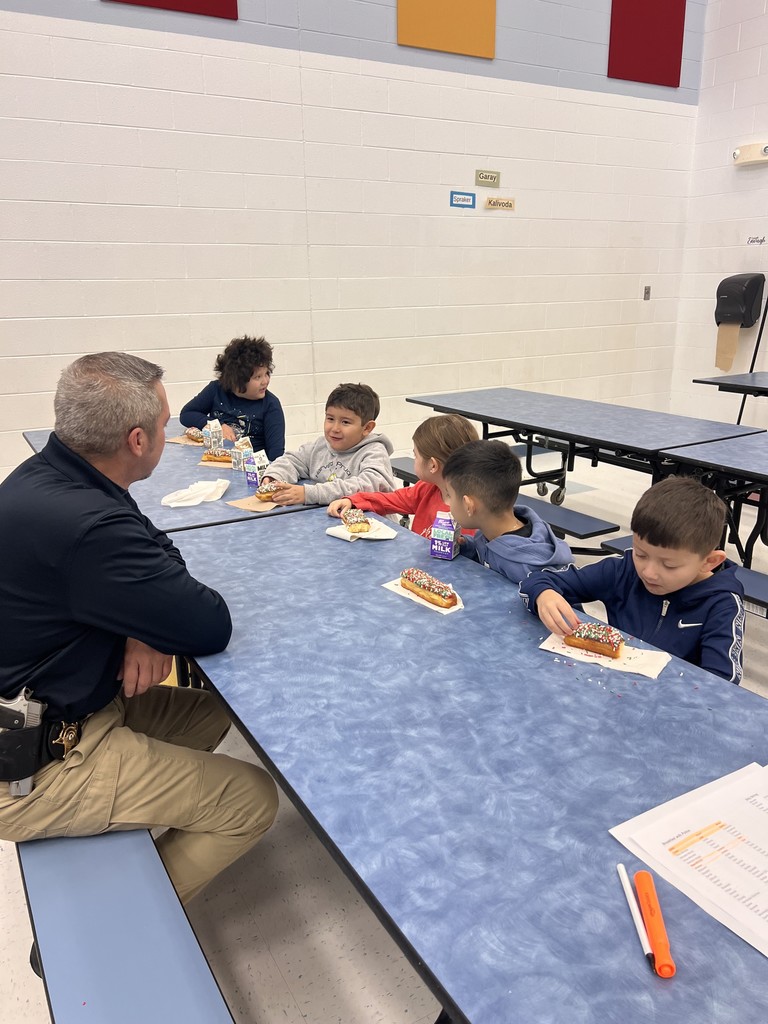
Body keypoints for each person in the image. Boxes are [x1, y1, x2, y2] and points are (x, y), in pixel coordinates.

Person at [0, 352, 278, 910]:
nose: (169, 431)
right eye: (163, 424)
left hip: (61, 702)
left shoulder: (58, 477)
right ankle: (117, 920)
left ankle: (129, 810)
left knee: (217, 710)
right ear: (136, 440)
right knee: (252, 798)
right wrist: (152, 617)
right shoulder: (90, 527)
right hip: (32, 763)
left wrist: (141, 629)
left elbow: (159, 547)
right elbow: (209, 623)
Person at [519, 476, 745, 683]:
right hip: (610, 687)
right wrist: (544, 595)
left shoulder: (722, 604)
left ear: (710, 562)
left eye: (669, 565)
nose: (648, 572)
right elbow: (537, 581)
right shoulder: (624, 571)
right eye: (641, 554)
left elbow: (723, 685)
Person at [440, 439, 572, 582]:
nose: (447, 502)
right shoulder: (489, 532)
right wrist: (468, 547)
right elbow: (491, 552)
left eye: (449, 495)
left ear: (468, 506)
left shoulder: (527, 568)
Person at [327, 414, 479, 536]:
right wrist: (353, 501)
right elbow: (391, 500)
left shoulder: (470, 511)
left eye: (415, 455)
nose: (414, 459)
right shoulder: (427, 489)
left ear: (432, 465)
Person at [261, 382, 396, 505]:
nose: (335, 428)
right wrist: (274, 476)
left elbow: (368, 486)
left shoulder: (375, 452)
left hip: (374, 526)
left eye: (345, 422)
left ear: (367, 428)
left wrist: (309, 494)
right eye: (330, 418)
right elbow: (292, 460)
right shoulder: (320, 446)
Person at [180, 334, 285, 459]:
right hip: (215, 461)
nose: (265, 381)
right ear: (237, 380)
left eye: (266, 374)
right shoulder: (217, 390)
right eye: (258, 377)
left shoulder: (270, 405)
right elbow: (187, 414)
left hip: (249, 469)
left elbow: (276, 456)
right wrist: (218, 426)